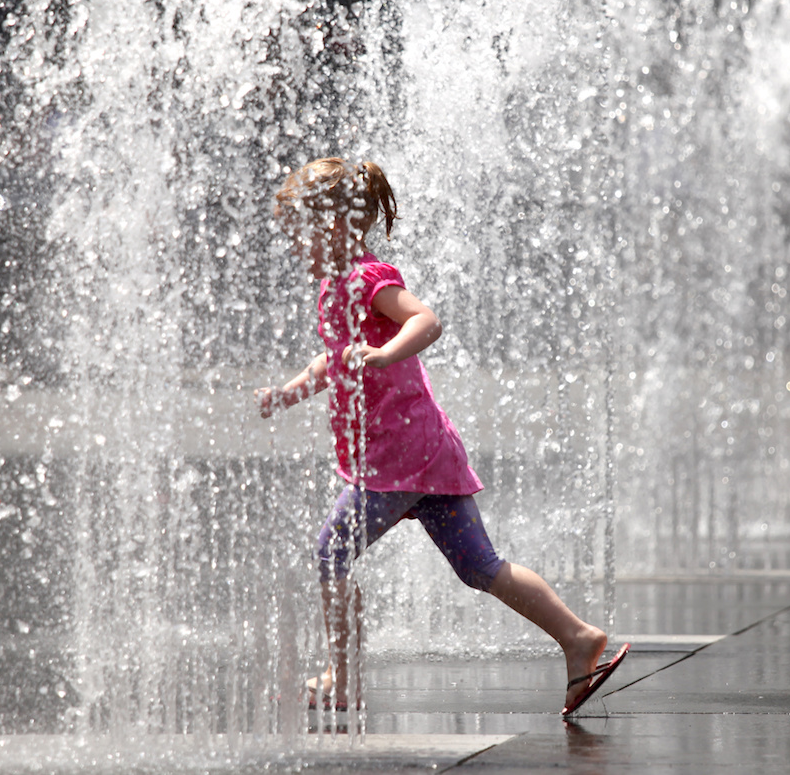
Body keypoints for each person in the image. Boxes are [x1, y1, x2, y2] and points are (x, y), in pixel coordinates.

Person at [255, 157, 627, 717]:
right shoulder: (335, 290)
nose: (294, 250)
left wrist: (383, 353)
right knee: (481, 567)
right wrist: (292, 389)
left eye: (298, 236)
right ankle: (577, 638)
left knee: (332, 552)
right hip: (423, 455)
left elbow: (425, 319)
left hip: (398, 456)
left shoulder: (366, 279)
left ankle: (345, 676)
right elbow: (332, 360)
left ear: (331, 229)